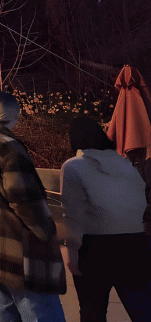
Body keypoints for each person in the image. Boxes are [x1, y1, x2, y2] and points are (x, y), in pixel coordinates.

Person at [0, 91, 66, 322]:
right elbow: (24, 199)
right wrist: (48, 231)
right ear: (14, 113)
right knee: (40, 310)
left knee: (5, 309)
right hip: (15, 248)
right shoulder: (9, 146)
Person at [60, 116, 151, 322]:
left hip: (95, 247)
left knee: (93, 310)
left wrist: (71, 253)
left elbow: (73, 215)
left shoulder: (73, 166)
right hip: (137, 243)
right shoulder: (127, 164)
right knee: (142, 309)